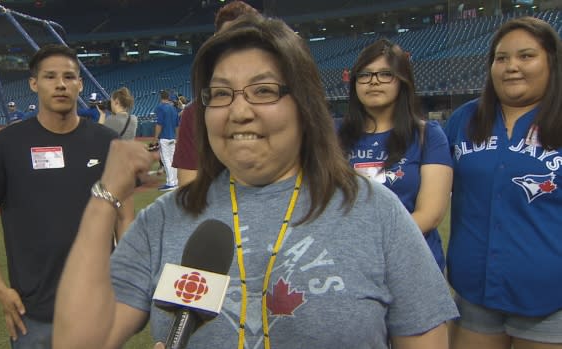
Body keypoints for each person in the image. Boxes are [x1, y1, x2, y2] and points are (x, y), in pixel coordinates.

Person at [53, 15, 458, 349]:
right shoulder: (166, 219)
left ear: (305, 105)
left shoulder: (375, 210)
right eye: (220, 94)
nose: (239, 111)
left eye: (263, 91)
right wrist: (103, 199)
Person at [0, 44, 134, 348]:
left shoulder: (107, 142)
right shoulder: (7, 145)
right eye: (50, 76)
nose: (60, 84)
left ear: (80, 84)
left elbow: (125, 216)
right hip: (33, 316)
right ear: (34, 83)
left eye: (69, 77)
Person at [444, 17, 562, 348]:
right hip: (475, 296)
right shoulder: (463, 120)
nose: (511, 66)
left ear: (551, 61)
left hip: (551, 302)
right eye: (501, 58)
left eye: (526, 56)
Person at [338, 39, 453, 271]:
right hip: (350, 265)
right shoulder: (333, 134)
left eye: (385, 74)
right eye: (365, 75)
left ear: (402, 80)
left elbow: (429, 215)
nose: (373, 82)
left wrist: (371, 244)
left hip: (412, 264)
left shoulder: (428, 135)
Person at [173, 0, 261, 187]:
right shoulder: (195, 114)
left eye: (245, 41)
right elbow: (188, 189)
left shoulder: (284, 106)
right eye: (228, 42)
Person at [154, 90, 179, 191]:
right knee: (172, 160)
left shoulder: (160, 107)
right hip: (172, 137)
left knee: (166, 160)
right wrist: (177, 137)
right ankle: (175, 181)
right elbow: (177, 124)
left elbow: (159, 123)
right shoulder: (173, 108)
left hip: (164, 137)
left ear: (161, 97)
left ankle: (170, 182)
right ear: (168, 97)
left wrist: (155, 137)